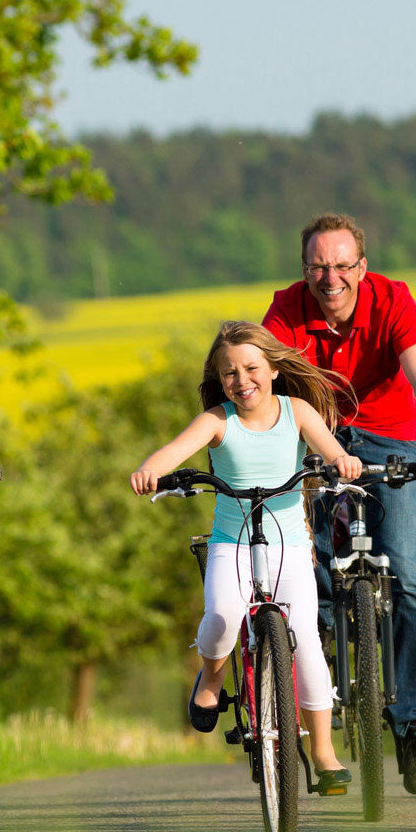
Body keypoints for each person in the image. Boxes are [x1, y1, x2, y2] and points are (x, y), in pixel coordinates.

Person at [261, 212, 416, 795]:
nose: (331, 277)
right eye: (319, 266)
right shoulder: (286, 309)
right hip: (316, 438)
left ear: (362, 267)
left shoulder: (394, 300)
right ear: (305, 270)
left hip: (392, 437)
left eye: (342, 265)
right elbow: (264, 384)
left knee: (407, 575)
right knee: (305, 573)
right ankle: (313, 707)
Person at [130, 321, 362, 793]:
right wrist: (150, 471)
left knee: (306, 641)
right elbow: (174, 451)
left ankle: (322, 751)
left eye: (252, 368)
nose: (242, 380)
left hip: (290, 546)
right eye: (230, 373)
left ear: (274, 368)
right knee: (221, 616)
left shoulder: (297, 411)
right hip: (231, 544)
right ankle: (212, 676)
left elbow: (332, 450)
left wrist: (344, 462)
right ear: (220, 379)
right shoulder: (218, 420)